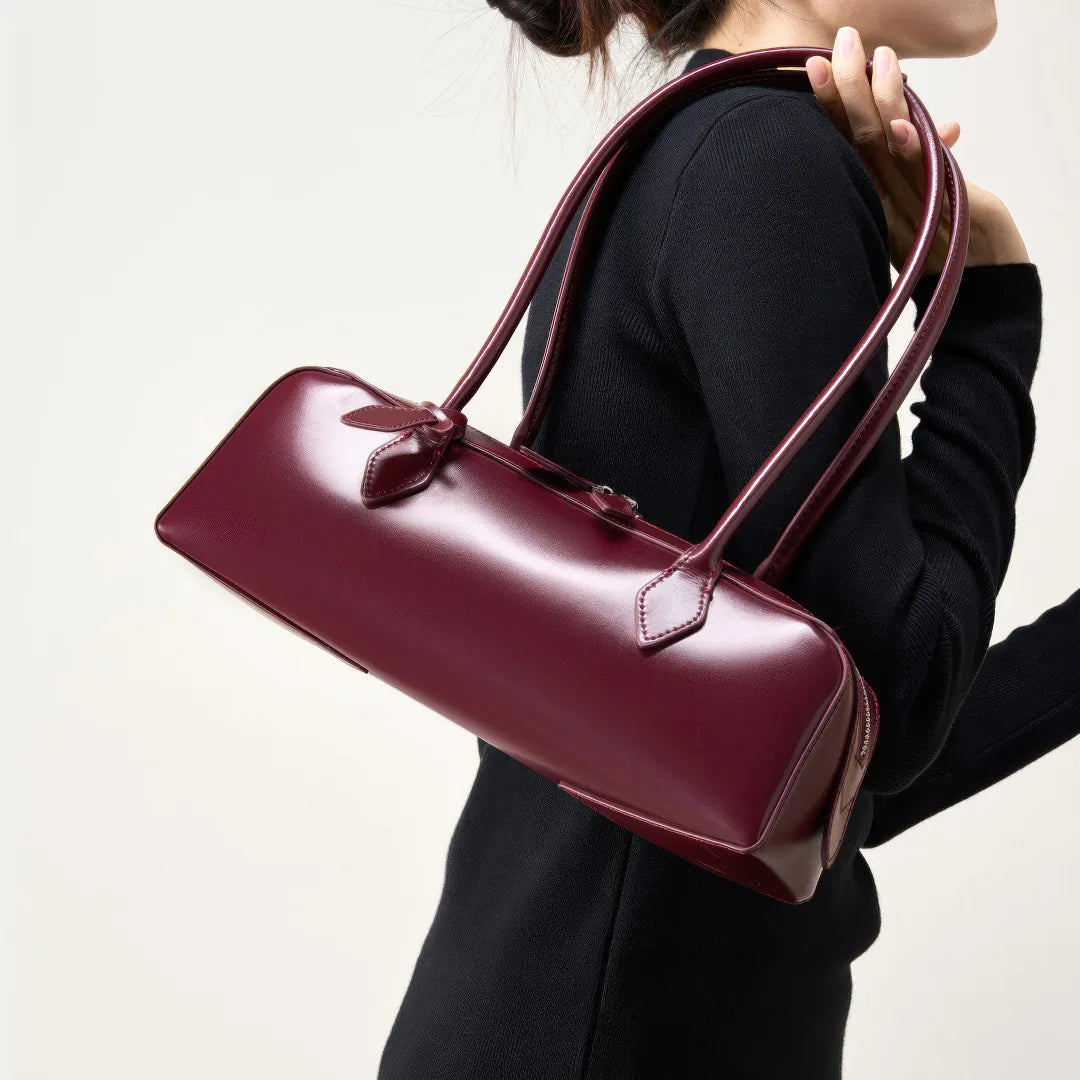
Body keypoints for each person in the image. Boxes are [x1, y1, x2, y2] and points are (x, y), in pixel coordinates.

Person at [379, 5, 1080, 1077]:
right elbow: (895, 710)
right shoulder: (766, 159)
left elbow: (825, 781)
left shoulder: (708, 145)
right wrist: (988, 311)